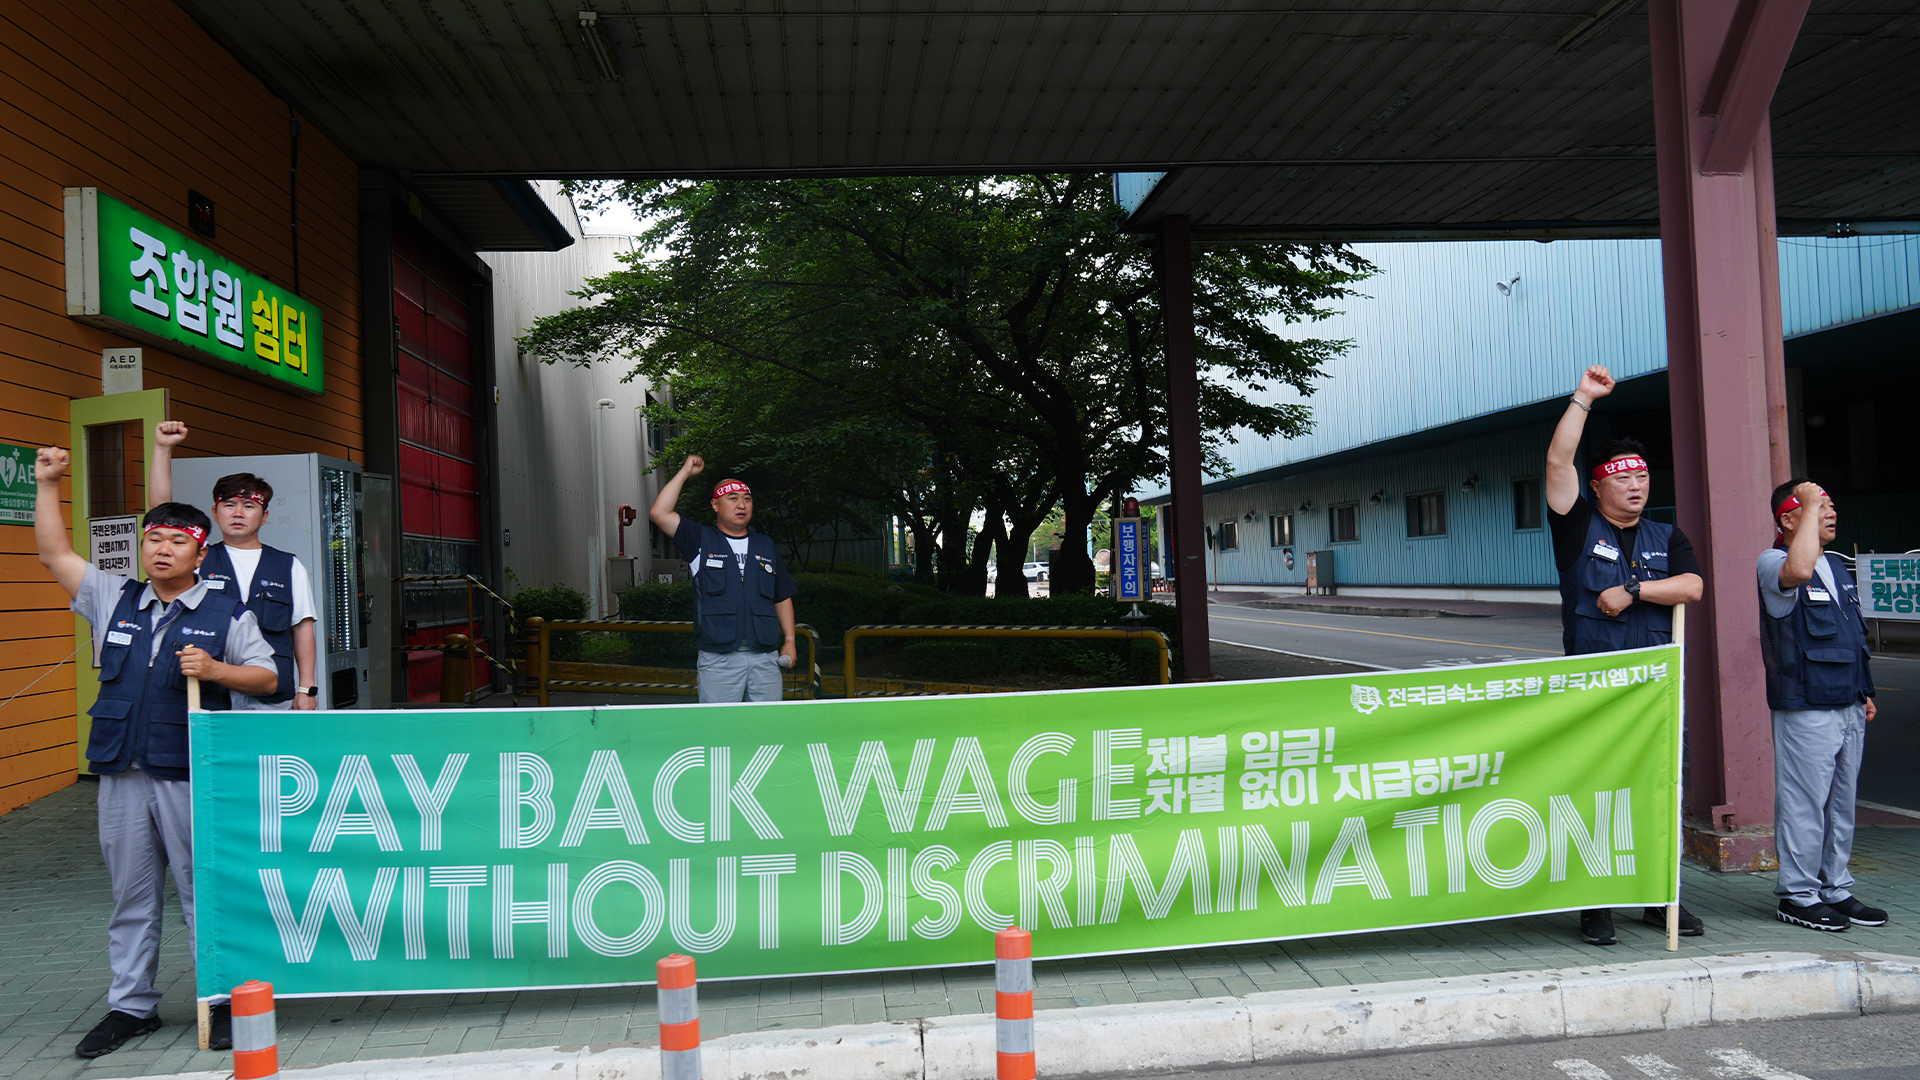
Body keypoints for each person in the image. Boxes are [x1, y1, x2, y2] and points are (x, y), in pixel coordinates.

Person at [33, 447, 278, 1058]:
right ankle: (131, 1007)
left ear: (201, 552)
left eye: (176, 541)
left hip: (190, 774)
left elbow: (267, 678)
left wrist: (216, 669)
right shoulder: (112, 597)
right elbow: (55, 555)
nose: (162, 549)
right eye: (153, 539)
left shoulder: (227, 613)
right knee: (131, 897)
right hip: (123, 774)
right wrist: (47, 485)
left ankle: (220, 1000)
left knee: (204, 892)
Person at [1545, 364, 1705, 946]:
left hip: (1656, 688)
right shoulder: (1576, 527)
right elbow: (1557, 463)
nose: (1636, 485)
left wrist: (1634, 591)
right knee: (1597, 792)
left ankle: (1660, 896)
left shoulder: (1668, 537)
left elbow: (1692, 587)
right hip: (1596, 691)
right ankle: (1596, 903)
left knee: (1660, 791)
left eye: (1642, 476)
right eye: (1623, 477)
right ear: (1597, 487)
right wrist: (1584, 398)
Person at [1758, 480, 1883, 931]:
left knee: (1841, 803)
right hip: (1806, 702)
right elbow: (1798, 571)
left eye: (1830, 505)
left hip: (1847, 700)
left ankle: (1835, 887)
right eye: (1817, 506)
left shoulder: (1835, 565)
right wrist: (1808, 503)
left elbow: (1851, 634)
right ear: (1788, 520)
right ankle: (1797, 894)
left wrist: (1864, 691)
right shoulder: (1773, 561)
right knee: (1804, 802)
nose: (1829, 512)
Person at [149, 421, 319, 711]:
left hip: (272, 696)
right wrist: (163, 449)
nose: (238, 513)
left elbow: (302, 628)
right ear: (215, 513)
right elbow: (161, 517)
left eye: (249, 506)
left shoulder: (288, 565)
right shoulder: (197, 558)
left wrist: (307, 688)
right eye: (229, 505)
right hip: (207, 694)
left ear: (264, 516)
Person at [649, 455, 798, 702]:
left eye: (747, 499)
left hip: (765, 656)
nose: (742, 505)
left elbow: (781, 595)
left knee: (766, 723)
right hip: (718, 658)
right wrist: (685, 472)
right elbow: (659, 512)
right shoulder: (700, 539)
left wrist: (790, 640)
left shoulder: (765, 545)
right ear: (715, 505)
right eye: (733, 498)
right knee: (721, 723)